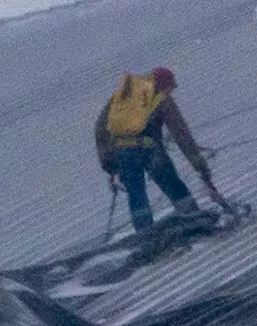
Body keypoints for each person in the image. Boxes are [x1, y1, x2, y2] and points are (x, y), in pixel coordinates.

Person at [94, 66, 242, 233]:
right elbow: (182, 137)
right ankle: (193, 216)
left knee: (136, 195)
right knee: (172, 183)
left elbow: (100, 128)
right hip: (149, 149)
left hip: (123, 153)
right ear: (165, 86)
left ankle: (145, 233)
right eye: (171, 89)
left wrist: (109, 165)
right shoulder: (162, 99)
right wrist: (202, 169)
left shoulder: (125, 95)